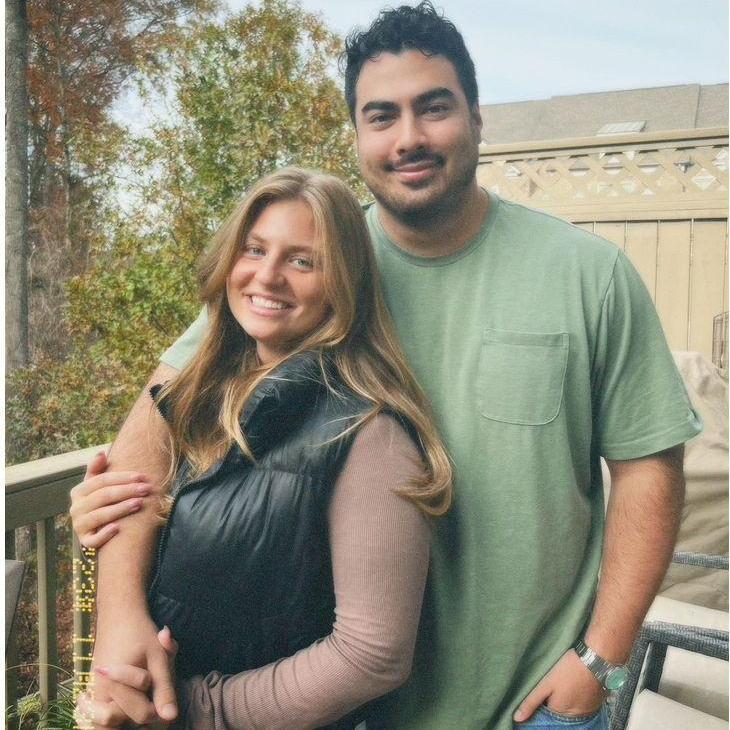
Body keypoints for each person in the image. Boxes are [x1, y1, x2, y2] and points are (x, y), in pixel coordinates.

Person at [71, 3, 702, 729]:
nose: (409, 138)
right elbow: (157, 420)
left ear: (476, 118)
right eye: (382, 116)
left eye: (434, 108)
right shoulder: (315, 268)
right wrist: (118, 613)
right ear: (358, 136)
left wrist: (599, 658)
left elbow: (649, 471)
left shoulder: (589, 275)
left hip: (534, 703)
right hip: (344, 707)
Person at [72, 166, 453, 728]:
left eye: (303, 261)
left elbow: (372, 658)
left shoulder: (369, 434)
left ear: (343, 284)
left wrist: (192, 711)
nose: (268, 276)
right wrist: (97, 522)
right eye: (255, 249)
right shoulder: (198, 398)